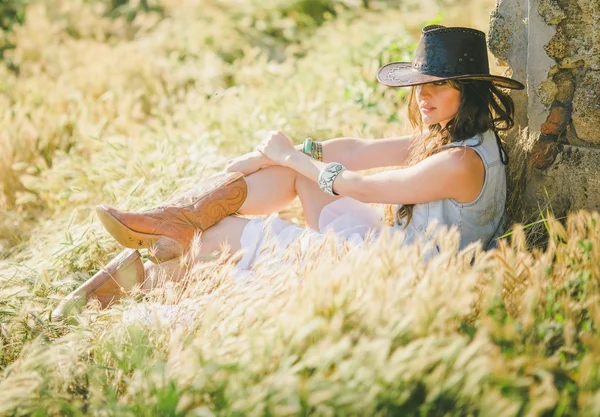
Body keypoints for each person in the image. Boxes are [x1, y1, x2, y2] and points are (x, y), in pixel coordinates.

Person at [51, 25, 524, 320]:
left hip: (396, 276)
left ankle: (127, 280)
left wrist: (293, 157)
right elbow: (356, 150)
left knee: (232, 234)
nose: (423, 95)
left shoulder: (461, 163)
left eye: (438, 85)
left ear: (470, 90)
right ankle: (182, 218)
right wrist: (274, 156)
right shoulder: (455, 139)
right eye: (420, 84)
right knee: (292, 176)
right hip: (396, 250)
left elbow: (360, 183)